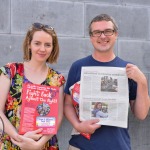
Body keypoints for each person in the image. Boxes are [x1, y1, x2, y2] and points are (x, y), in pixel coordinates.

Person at [64, 14, 150, 150]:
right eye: (97, 32)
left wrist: (143, 82)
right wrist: (78, 125)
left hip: (117, 145)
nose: (103, 36)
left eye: (108, 31)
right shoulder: (78, 66)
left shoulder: (128, 69)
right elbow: (67, 104)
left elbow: (141, 114)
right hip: (81, 145)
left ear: (116, 34)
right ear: (91, 37)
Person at [0, 23, 65, 150]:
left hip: (44, 145)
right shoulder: (11, 71)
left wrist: (37, 145)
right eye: (37, 43)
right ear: (29, 44)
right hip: (11, 143)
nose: (42, 49)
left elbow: (58, 117)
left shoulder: (57, 79)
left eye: (47, 45)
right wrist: (20, 139)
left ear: (53, 48)